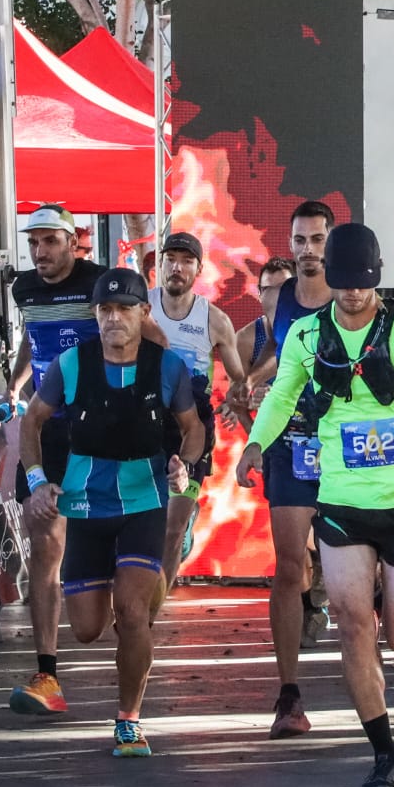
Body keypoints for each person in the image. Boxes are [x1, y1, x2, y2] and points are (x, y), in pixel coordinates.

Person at [238, 224, 394, 787]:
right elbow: (283, 393)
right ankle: (386, 758)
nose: (354, 295)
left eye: (364, 284)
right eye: (343, 284)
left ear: (377, 279)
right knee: (355, 627)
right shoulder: (307, 335)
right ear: (328, 279)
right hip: (340, 498)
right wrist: (257, 443)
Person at [22, 267, 205, 758]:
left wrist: (183, 464)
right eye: (105, 310)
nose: (114, 319)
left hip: (144, 499)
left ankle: (128, 720)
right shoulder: (72, 364)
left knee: (132, 614)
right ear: (95, 315)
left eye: (125, 309)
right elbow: (32, 420)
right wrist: (38, 481)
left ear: (143, 313)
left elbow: (193, 428)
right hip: (85, 504)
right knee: (86, 629)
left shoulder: (167, 368)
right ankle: (137, 586)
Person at [5, 204, 165, 716]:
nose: (40, 253)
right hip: (48, 431)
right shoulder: (23, 289)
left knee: (106, 604)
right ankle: (47, 673)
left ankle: (136, 604)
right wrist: (17, 379)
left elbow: (154, 338)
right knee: (45, 543)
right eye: (33, 243)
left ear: (74, 241)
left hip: (101, 437)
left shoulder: (104, 285)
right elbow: (36, 339)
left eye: (50, 241)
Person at [246, 200, 339, 736]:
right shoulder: (281, 298)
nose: (308, 251)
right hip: (291, 440)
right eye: (300, 240)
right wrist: (256, 379)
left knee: (350, 565)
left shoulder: (352, 294)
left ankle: (360, 653)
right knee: (286, 565)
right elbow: (286, 357)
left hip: (346, 447)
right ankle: (288, 695)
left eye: (318, 240)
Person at [145, 230, 248, 583]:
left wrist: (236, 402)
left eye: (187, 261)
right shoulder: (141, 308)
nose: (177, 267)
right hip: (143, 426)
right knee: (143, 525)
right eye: (171, 259)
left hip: (192, 431)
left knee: (171, 533)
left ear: (199, 270)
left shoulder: (214, 320)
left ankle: (150, 613)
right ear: (160, 264)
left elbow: (239, 378)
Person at [236, 257, 296, 375]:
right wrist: (254, 392)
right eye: (268, 289)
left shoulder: (318, 330)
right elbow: (235, 391)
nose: (276, 296)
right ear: (259, 294)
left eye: (283, 288)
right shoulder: (245, 339)